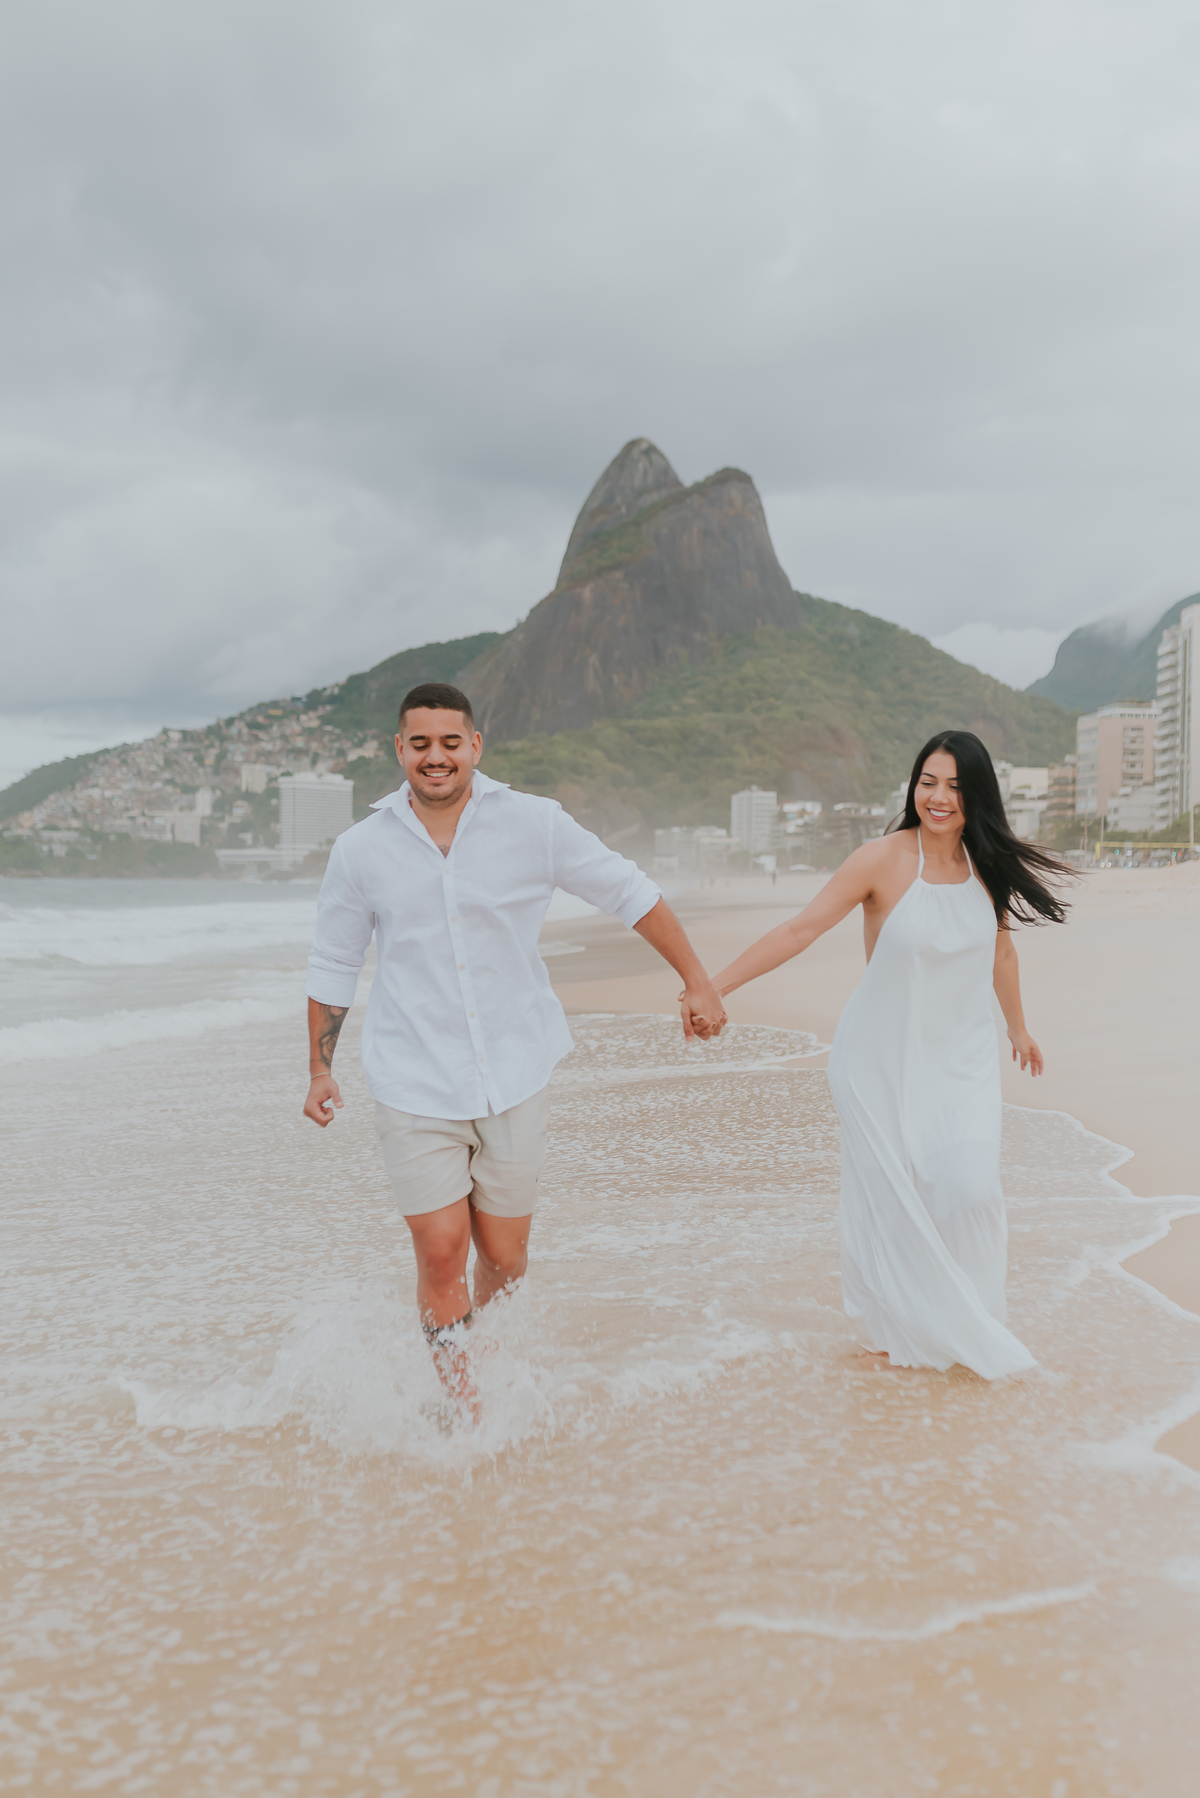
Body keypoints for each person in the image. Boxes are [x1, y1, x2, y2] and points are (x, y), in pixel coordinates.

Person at [302, 681, 727, 1415]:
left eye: (451, 742)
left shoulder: (533, 823)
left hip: (515, 1068)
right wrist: (318, 1067)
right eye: (421, 743)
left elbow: (628, 891)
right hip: (413, 1079)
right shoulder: (361, 850)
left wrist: (697, 979)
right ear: (399, 750)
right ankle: (467, 1410)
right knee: (440, 1252)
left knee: (503, 1256)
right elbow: (334, 963)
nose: (437, 757)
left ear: (475, 747)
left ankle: (490, 1362)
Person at [705, 731, 1070, 1379]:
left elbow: (1002, 952)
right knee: (892, 1198)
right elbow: (801, 929)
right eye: (929, 780)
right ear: (913, 785)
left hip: (963, 1064)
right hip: (879, 1062)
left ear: (976, 796)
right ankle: (893, 1327)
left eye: (955, 786)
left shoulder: (987, 868)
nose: (938, 796)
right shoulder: (881, 861)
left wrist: (1018, 1027)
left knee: (969, 1190)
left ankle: (970, 1320)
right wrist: (715, 986)